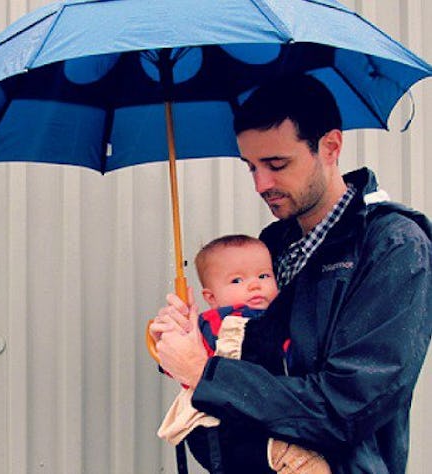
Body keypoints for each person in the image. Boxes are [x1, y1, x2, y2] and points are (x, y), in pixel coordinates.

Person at [149, 74, 432, 473]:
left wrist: (205, 373)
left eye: (276, 164)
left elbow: (349, 407)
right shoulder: (275, 243)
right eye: (251, 167)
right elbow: (255, 365)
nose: (261, 184)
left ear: (330, 147)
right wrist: (194, 340)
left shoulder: (393, 245)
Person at [158, 234, 328, 473]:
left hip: (265, 420)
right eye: (237, 280)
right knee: (305, 463)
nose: (254, 285)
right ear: (211, 297)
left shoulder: (281, 318)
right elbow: (178, 362)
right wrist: (173, 337)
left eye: (263, 276)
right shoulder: (212, 323)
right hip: (222, 427)